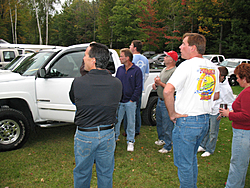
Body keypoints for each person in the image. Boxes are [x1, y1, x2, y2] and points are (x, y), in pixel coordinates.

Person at [163, 33, 220, 188]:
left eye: (183, 43)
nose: (180, 47)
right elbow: (215, 95)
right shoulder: (213, 67)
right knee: (191, 160)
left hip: (187, 121)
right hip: (204, 121)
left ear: (193, 48)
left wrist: (172, 113)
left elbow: (168, 91)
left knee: (184, 164)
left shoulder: (187, 65)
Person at [69, 43, 122, 188]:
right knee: (105, 174)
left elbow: (75, 100)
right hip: (108, 134)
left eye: (85, 55)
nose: (83, 58)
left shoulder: (79, 82)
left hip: (85, 135)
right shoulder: (116, 83)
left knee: (82, 173)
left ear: (93, 60)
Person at [220, 63, 250, 188]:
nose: (236, 80)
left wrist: (229, 114)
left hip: (243, 132)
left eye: (238, 78)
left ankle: (233, 185)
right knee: (241, 162)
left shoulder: (247, 92)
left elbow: (247, 116)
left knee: (237, 162)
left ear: (244, 78)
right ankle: (237, 183)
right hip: (244, 131)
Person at [198, 66, 235, 157]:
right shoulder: (213, 82)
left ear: (222, 77)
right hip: (208, 110)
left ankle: (210, 149)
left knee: (213, 132)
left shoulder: (226, 88)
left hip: (216, 112)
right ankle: (203, 145)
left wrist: (223, 113)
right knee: (205, 129)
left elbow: (230, 103)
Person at [115, 48, 142, 152]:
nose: (120, 58)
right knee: (117, 121)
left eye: (121, 56)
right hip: (120, 101)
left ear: (127, 58)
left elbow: (138, 87)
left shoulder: (136, 71)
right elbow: (116, 84)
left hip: (130, 101)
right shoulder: (120, 70)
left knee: (131, 122)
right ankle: (115, 138)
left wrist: (132, 100)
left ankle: (130, 141)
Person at [122, 40, 149, 137]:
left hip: (130, 89)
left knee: (127, 111)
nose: (129, 46)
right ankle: (137, 129)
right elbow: (146, 75)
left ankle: (127, 130)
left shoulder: (131, 59)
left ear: (135, 48)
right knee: (137, 110)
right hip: (139, 89)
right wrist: (140, 84)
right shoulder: (145, 59)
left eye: (131, 45)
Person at [152, 51, 177, 153]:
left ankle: (168, 145)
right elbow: (161, 83)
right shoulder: (164, 70)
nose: (164, 58)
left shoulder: (174, 72)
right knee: (160, 121)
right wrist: (156, 84)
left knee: (167, 124)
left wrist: (160, 83)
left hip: (167, 101)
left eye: (167, 56)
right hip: (160, 99)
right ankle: (162, 139)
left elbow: (172, 88)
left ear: (171, 60)